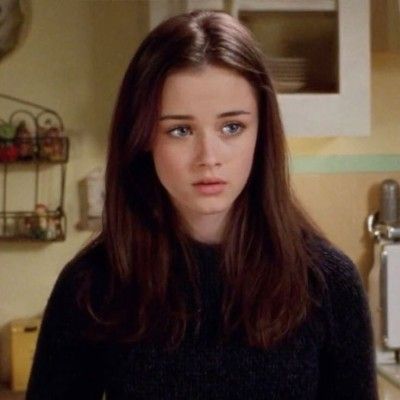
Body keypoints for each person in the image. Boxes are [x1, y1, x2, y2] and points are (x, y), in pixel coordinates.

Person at [26, 9, 378, 399]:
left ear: (262, 134)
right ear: (142, 138)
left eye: (232, 127)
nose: (208, 156)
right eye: (180, 130)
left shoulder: (329, 285)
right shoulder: (92, 287)